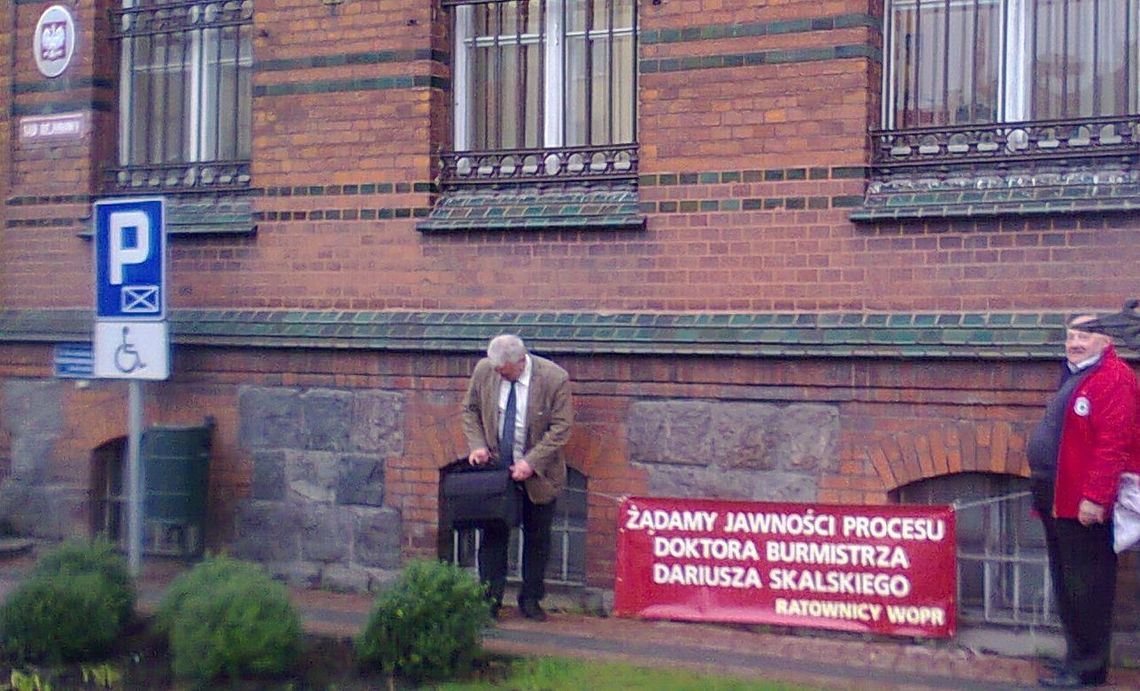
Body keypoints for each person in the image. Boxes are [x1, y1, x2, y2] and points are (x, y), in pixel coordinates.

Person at [1027, 315, 1140, 688]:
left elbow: (1113, 445)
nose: (1074, 342)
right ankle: (1075, 659)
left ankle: (1088, 669)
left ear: (1106, 341)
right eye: (1071, 335)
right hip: (1056, 495)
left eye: (1085, 336)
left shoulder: (1115, 379)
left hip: (1082, 503)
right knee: (1067, 583)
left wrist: (1095, 498)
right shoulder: (1078, 373)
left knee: (1086, 586)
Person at [461, 334, 572, 621]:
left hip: (539, 473)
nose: (498, 374)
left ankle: (531, 599)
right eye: (495, 369)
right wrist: (477, 445)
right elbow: (470, 410)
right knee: (493, 537)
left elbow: (561, 428)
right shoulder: (485, 370)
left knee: (537, 539)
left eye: (504, 371)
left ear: (521, 362)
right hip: (497, 473)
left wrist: (531, 462)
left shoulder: (554, 379)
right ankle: (489, 601)